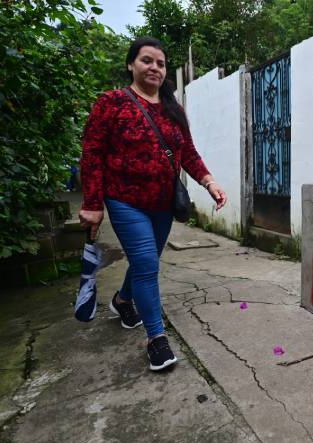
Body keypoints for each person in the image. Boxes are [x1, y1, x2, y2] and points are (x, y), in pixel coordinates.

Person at [79, 37, 227, 371]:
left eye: (160, 63)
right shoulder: (112, 102)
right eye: (147, 60)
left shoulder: (173, 110)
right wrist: (93, 202)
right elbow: (92, 153)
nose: (155, 68)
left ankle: (121, 300)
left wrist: (209, 182)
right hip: (124, 201)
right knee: (147, 264)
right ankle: (156, 339)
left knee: (145, 262)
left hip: (163, 203)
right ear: (131, 64)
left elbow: (187, 151)